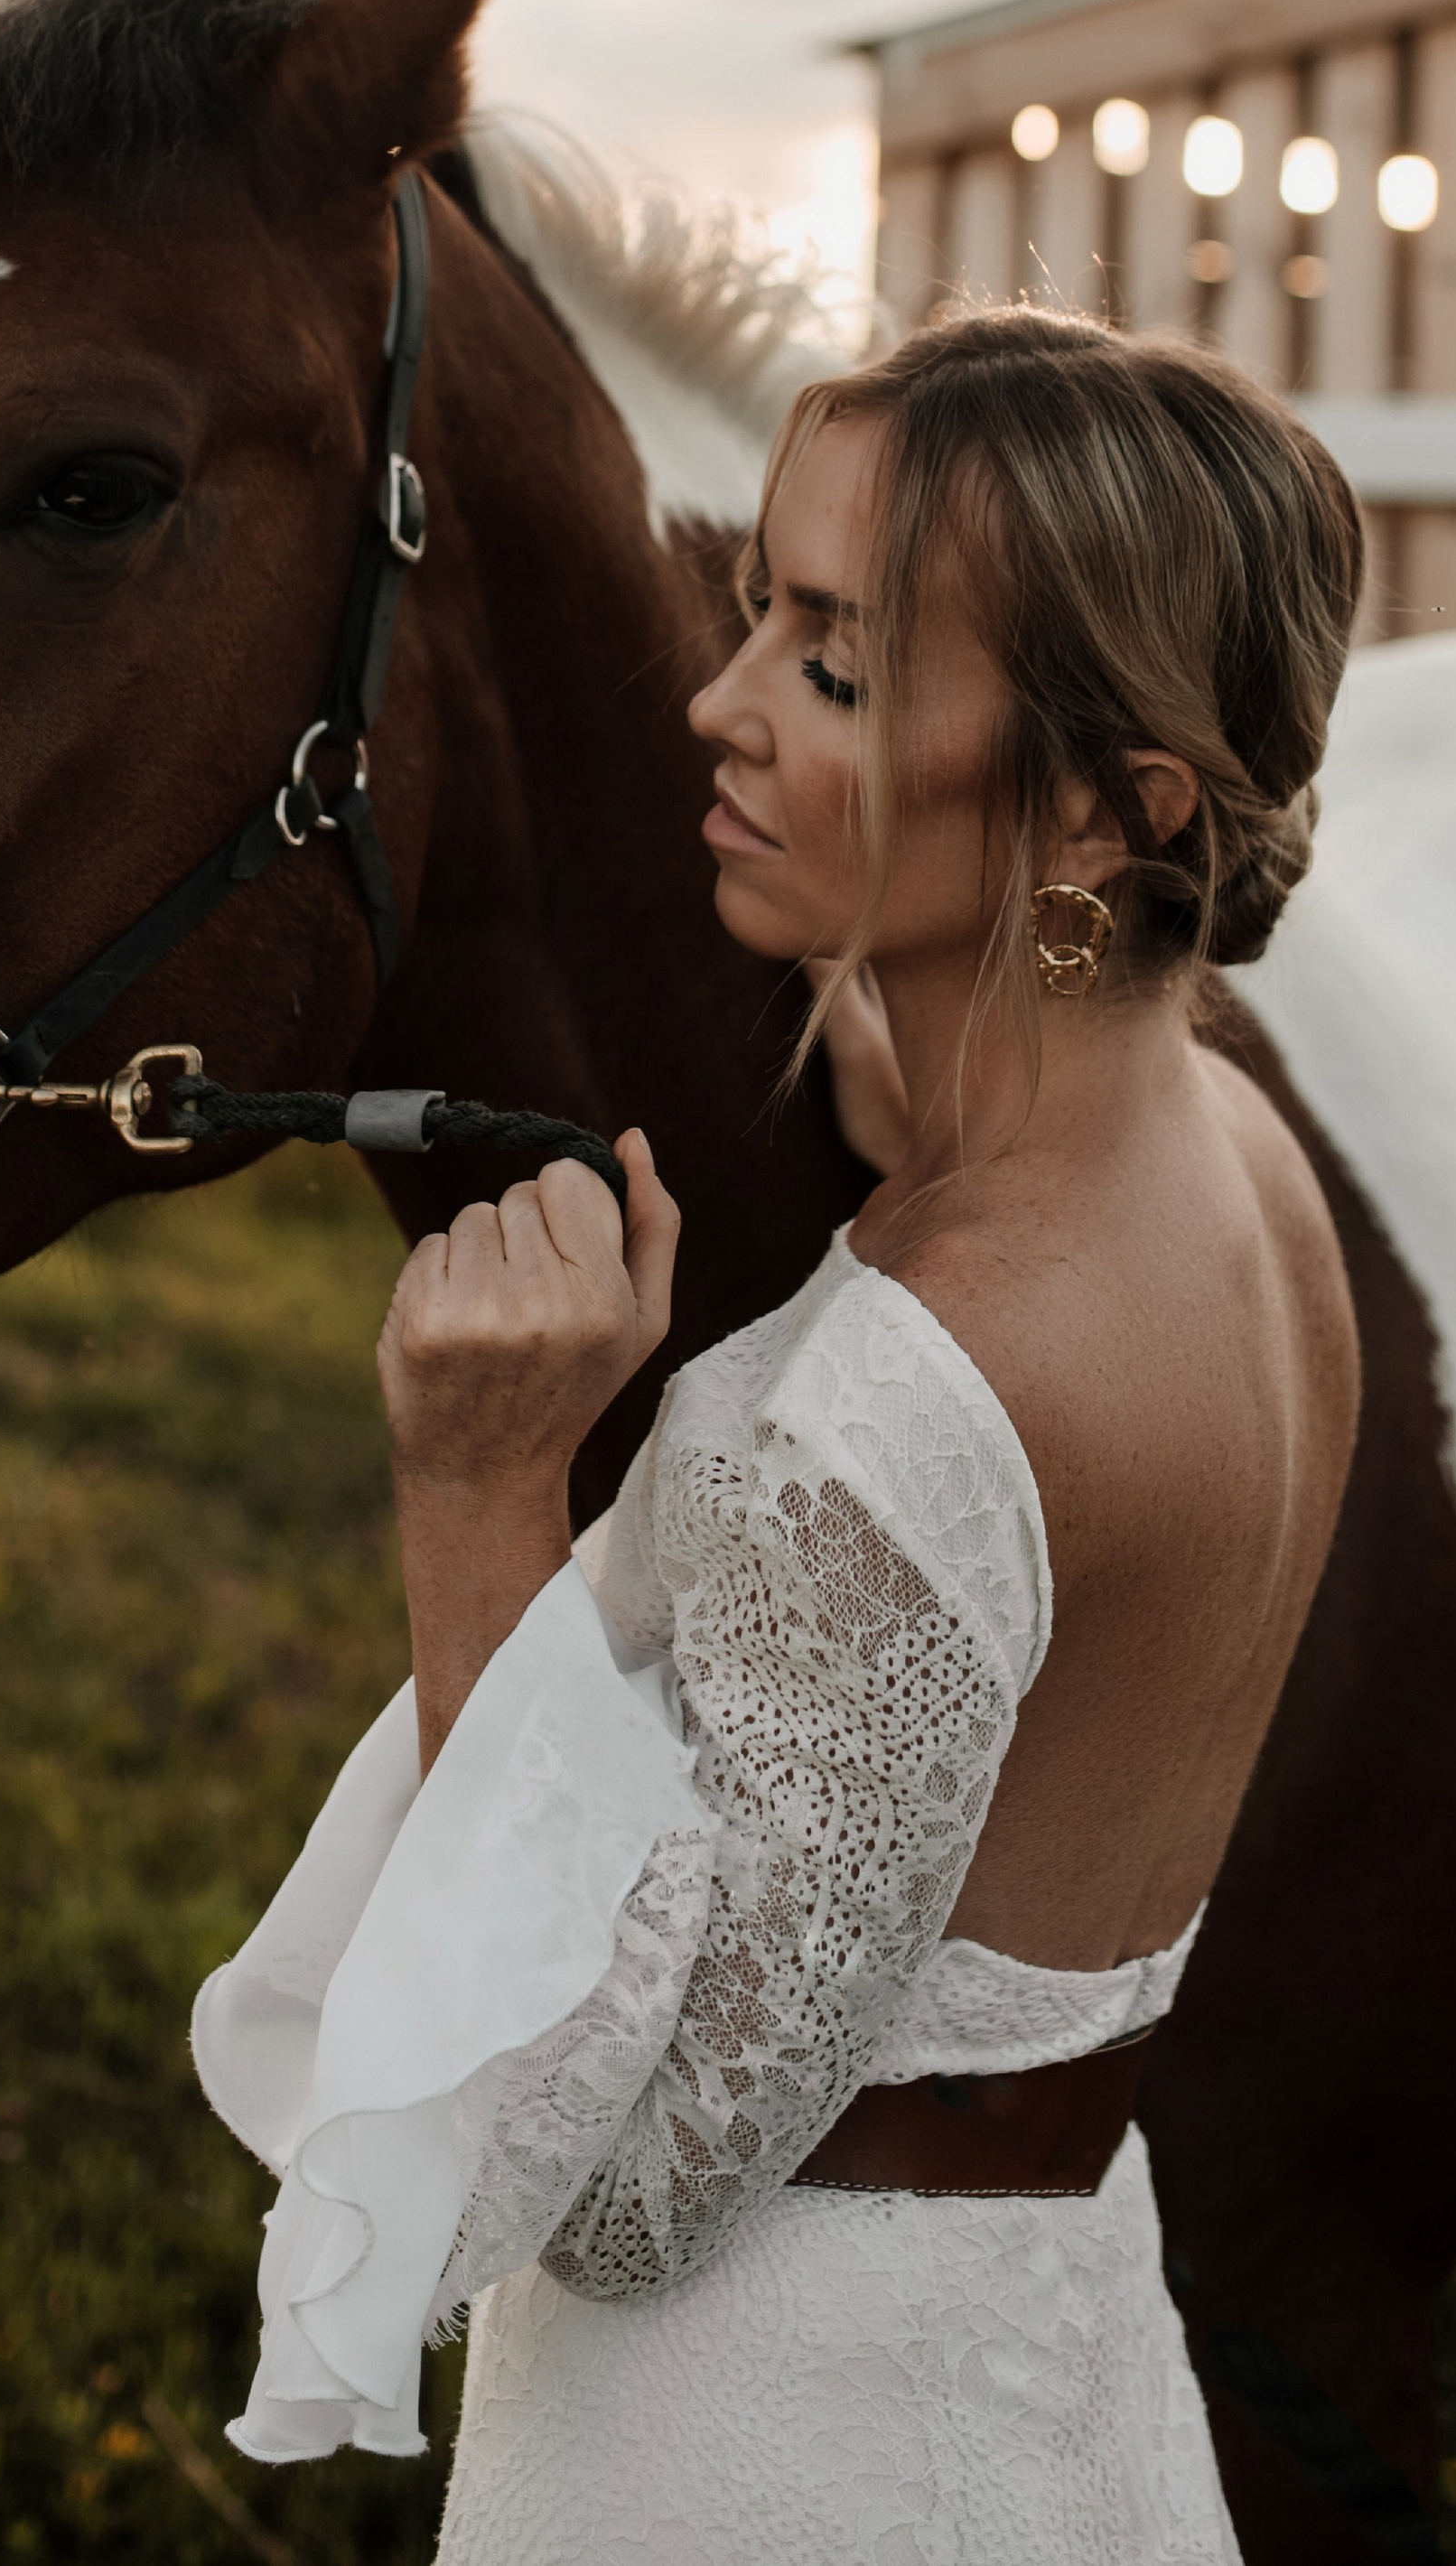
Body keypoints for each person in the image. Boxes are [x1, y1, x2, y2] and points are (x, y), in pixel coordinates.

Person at [191, 306, 1364, 2562]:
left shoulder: (897, 1418)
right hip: (1056, 2358)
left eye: (833, 667)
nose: (719, 705)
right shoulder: (1236, 1161)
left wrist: (480, 1483)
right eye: (760, 614)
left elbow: (621, 2192)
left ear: (1117, 805)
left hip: (756, 2449)